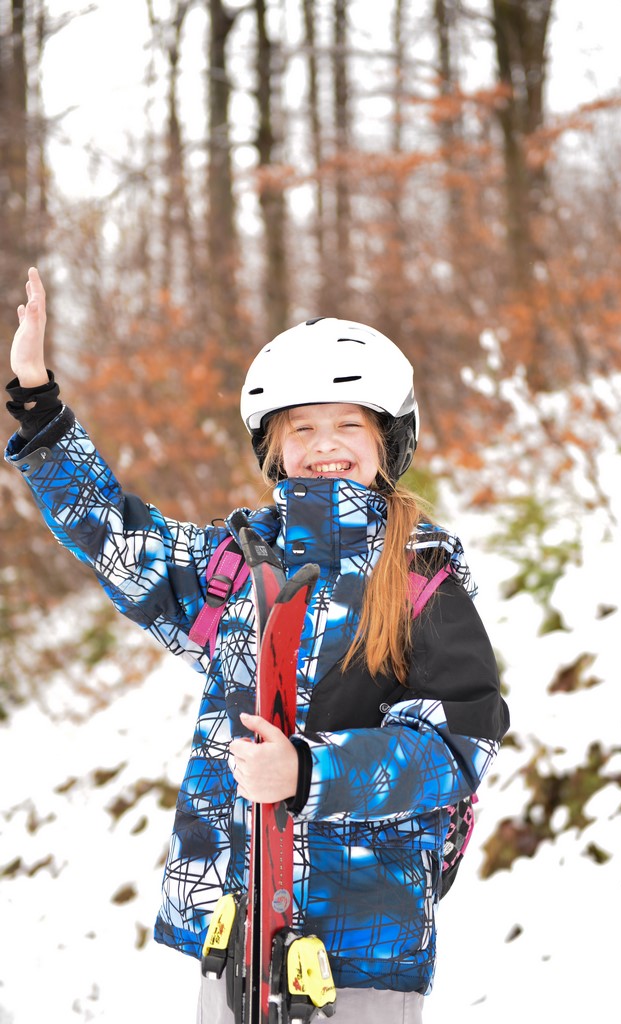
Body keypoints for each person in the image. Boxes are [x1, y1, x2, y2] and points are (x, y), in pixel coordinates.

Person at [5, 268, 509, 1024]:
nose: (325, 445)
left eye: (348, 425)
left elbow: (454, 746)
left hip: (357, 946)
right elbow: (117, 537)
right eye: (301, 428)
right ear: (274, 449)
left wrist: (307, 771)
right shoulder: (238, 567)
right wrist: (38, 399)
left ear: (387, 439)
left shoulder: (417, 578)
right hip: (237, 932)